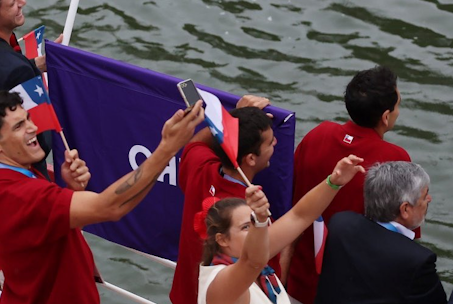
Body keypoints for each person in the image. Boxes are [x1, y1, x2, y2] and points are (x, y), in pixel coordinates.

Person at [0, 90, 205, 303]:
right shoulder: (24, 194)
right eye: (18, 126)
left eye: (27, 118)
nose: (33, 127)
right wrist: (168, 148)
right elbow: (110, 207)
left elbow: (41, 225)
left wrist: (71, 191)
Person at [284, 66, 412, 302]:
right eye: (398, 106)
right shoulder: (396, 159)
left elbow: (288, 200)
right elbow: (406, 236)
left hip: (297, 285)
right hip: (353, 292)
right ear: (385, 116)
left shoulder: (317, 134)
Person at [198, 156, 366, 304]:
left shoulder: (254, 250)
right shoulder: (220, 284)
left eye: (253, 224)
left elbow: (299, 216)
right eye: (246, 227)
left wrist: (333, 182)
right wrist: (260, 219)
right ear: (222, 239)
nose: (256, 231)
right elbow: (252, 262)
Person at [170, 97, 276, 304]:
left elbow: (196, 143)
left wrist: (229, 123)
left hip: (185, 294)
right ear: (251, 159)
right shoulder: (248, 213)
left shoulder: (199, 165)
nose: (276, 143)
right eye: (270, 142)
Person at [315, 162, 446, 304]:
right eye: (425, 196)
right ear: (405, 209)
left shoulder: (340, 224)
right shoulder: (417, 260)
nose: (429, 199)